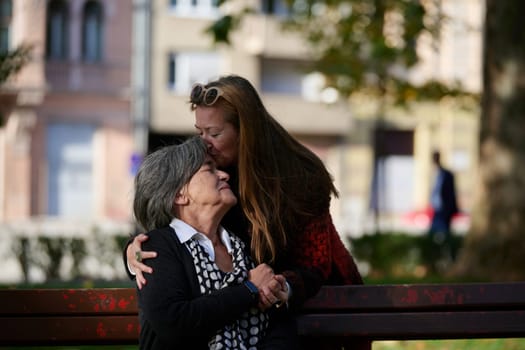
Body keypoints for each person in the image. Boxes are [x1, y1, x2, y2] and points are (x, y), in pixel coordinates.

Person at [127, 75, 369, 349]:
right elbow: (179, 232)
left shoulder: (300, 175)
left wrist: (279, 287)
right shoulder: (217, 174)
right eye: (200, 132)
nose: (205, 143)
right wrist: (135, 252)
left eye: (215, 134)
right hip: (251, 302)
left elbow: (316, 264)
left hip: (319, 303)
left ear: (246, 131)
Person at [133, 136, 291, 349]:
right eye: (209, 169)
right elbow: (174, 323)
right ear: (180, 194)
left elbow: (278, 324)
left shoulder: (244, 246)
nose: (224, 175)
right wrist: (248, 289)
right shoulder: (157, 247)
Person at [428, 151, 459, 267]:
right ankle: (434, 261)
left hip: (444, 211)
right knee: (432, 236)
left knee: (446, 237)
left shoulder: (446, 174)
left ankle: (449, 259)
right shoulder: (434, 173)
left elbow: (451, 194)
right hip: (436, 211)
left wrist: (452, 210)